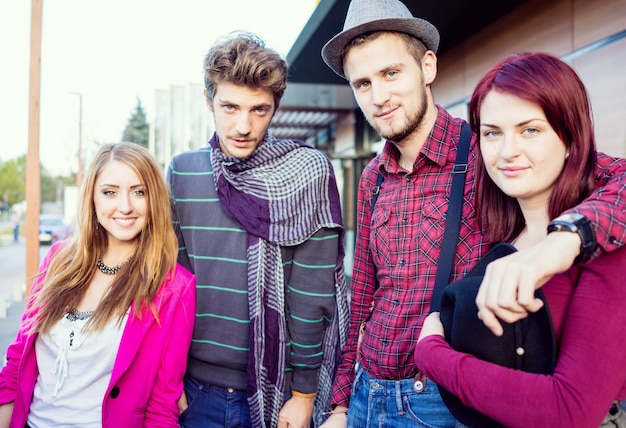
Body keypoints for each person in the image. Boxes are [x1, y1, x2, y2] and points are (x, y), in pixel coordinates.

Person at [318, 0, 626, 427]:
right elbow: (363, 299)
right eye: (363, 83)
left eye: (391, 73)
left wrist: (567, 238)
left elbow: (615, 178)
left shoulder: (490, 149)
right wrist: (339, 403)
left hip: (442, 399)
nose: (379, 96)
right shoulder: (373, 177)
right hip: (367, 395)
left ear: (427, 67)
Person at [416, 52, 626, 427]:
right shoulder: (504, 235)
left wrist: (432, 354)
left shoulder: (604, 246)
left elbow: (569, 411)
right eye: (492, 133)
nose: (506, 152)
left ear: (569, 138)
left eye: (530, 129)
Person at [168, 31, 348, 428]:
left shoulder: (307, 173)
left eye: (259, 109)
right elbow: (173, 285)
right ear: (208, 101)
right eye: (229, 107)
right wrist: (168, 379)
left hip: (279, 393)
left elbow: (311, 294)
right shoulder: (183, 173)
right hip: (193, 392)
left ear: (276, 107)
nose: (243, 125)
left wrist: (304, 396)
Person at [0, 142, 196, 427]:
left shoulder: (174, 287)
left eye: (139, 192)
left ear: (153, 199)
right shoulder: (58, 260)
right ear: (92, 198)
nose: (125, 206)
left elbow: (162, 408)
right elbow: (16, 366)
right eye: (110, 192)